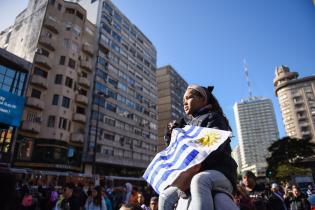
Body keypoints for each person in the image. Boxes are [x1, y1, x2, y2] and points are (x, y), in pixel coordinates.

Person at [159, 84, 238, 210]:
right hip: (191, 174)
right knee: (164, 196)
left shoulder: (214, 117)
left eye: (189, 97)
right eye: (183, 99)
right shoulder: (185, 124)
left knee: (199, 180)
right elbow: (177, 153)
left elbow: (216, 146)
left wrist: (194, 152)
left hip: (219, 171)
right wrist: (170, 134)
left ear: (203, 99)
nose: (185, 102)